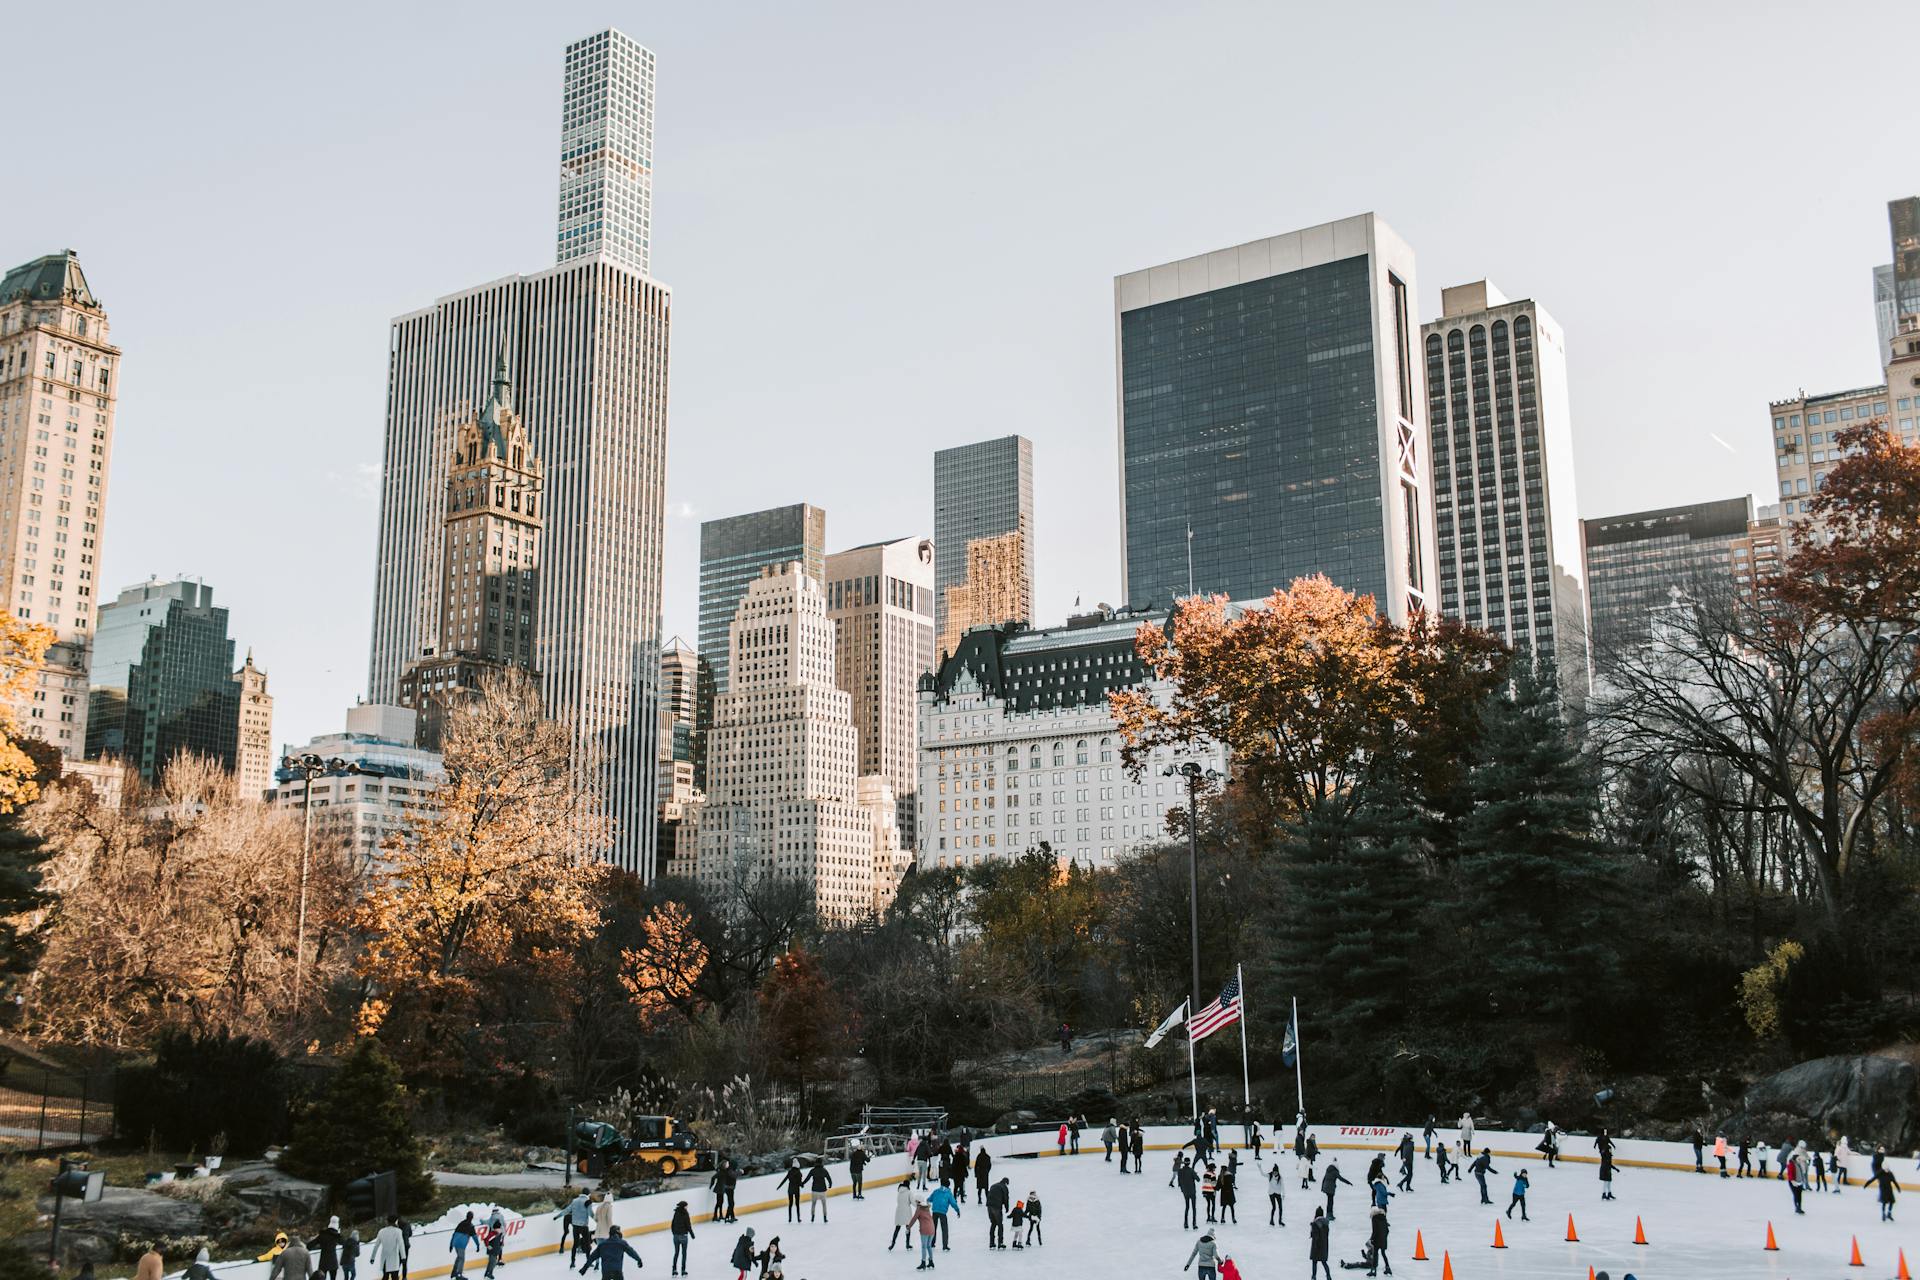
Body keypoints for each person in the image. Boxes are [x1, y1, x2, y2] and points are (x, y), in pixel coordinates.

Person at [558, 1192, 594, 1265]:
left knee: (575, 1244)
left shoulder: (574, 1201)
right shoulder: (587, 1201)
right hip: (583, 1226)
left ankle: (572, 1262)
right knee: (587, 1244)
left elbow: (567, 1210)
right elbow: (591, 1214)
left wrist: (558, 1216)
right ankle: (589, 1261)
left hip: (575, 1226)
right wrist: (598, 1220)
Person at [929, 1180, 959, 1250]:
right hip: (942, 1213)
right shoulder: (948, 1193)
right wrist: (957, 1210)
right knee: (944, 1229)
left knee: (933, 1228)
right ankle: (945, 1246)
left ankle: (932, 1243)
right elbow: (953, 1203)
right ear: (948, 1186)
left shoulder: (936, 1191)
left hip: (935, 1212)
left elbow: (930, 1199)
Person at [669, 1201, 695, 1277]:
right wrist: (692, 1235)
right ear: (684, 1207)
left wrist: (674, 1233)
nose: (687, 1207)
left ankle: (674, 1271)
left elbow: (672, 1225)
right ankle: (683, 1271)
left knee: (676, 1253)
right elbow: (688, 1226)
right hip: (683, 1236)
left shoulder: (676, 1213)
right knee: (684, 1254)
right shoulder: (685, 1214)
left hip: (676, 1237)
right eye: (686, 1206)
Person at [1367, 1205, 1393, 1277]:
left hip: (1377, 1240)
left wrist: (1371, 1239)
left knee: (1375, 1254)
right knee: (1383, 1253)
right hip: (1383, 1240)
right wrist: (1384, 1237)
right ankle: (1388, 1268)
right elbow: (1387, 1230)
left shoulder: (1374, 1218)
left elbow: (1374, 1231)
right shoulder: (1384, 1218)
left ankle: (1373, 1270)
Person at [912, 1197, 937, 1270]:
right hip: (932, 1229)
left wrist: (908, 1227)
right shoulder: (927, 1208)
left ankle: (923, 1263)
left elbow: (914, 1218)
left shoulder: (919, 1209)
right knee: (929, 1246)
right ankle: (931, 1262)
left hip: (925, 1230)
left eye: (916, 1202)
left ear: (919, 1202)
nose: (916, 1203)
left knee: (924, 1246)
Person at [807, 1156, 833, 1222]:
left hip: (814, 1190)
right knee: (824, 1204)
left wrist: (802, 1183)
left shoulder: (813, 1170)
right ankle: (825, 1218)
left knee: (813, 1204)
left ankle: (812, 1217)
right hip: (822, 1190)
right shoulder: (824, 1170)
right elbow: (829, 1178)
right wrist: (830, 1184)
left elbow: (807, 1178)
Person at [1309, 1207, 1332, 1280]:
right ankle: (1328, 1276)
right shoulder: (1326, 1223)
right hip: (1324, 1245)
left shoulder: (1315, 1223)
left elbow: (1315, 1236)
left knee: (1314, 1262)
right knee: (1324, 1262)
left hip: (1317, 1246)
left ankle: (1314, 1276)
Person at [988, 1176, 1011, 1248]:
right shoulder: (1004, 1187)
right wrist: (1007, 1208)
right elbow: (1006, 1198)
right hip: (997, 1207)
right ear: (1006, 1183)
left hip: (989, 1206)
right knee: (1000, 1224)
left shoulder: (993, 1185)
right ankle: (1000, 1243)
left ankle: (991, 1243)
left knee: (993, 1223)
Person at [1178, 1156, 1200, 1229]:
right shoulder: (1191, 1170)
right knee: (1194, 1208)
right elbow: (1198, 1179)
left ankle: (1185, 1223)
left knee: (1187, 1207)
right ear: (1189, 1163)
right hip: (1192, 1191)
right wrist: (1195, 1174)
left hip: (1185, 1192)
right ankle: (1194, 1224)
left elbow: (1179, 1182)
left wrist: (1182, 1190)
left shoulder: (1180, 1171)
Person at [483, 1211, 506, 1280]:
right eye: (499, 1228)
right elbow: (485, 1239)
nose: (500, 1230)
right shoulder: (492, 1234)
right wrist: (487, 1245)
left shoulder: (500, 1234)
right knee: (492, 1263)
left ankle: (489, 1274)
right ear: (496, 1228)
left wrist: (501, 1244)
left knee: (493, 1263)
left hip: (495, 1251)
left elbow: (501, 1241)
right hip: (491, 1250)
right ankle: (488, 1274)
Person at [781, 1157, 804, 1222]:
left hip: (790, 1190)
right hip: (796, 1190)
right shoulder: (799, 1173)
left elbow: (785, 1180)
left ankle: (790, 1219)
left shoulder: (790, 1172)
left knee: (790, 1204)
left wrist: (779, 1186)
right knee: (797, 1204)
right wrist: (802, 1185)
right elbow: (799, 1183)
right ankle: (798, 1219)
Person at [1787, 1144, 1807, 1214]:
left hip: (1799, 1182)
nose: (1800, 1160)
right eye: (1798, 1159)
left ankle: (1799, 1207)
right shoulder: (1791, 1164)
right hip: (1793, 1182)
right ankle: (1797, 1207)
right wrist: (1792, 1181)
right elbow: (1790, 1173)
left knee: (1799, 1195)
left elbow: (1803, 1172)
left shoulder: (1799, 1164)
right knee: (1796, 1195)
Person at [1268, 1160, 1286, 1226]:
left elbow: (1283, 1186)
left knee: (1280, 1208)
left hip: (1278, 1193)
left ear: (1278, 1172)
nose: (1274, 1173)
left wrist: (1283, 1194)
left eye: (1276, 1172)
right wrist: (1260, 1168)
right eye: (1274, 1172)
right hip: (1271, 1193)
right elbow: (1263, 1174)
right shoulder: (1270, 1175)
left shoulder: (1280, 1178)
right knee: (1274, 1207)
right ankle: (1271, 1220)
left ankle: (1280, 1221)